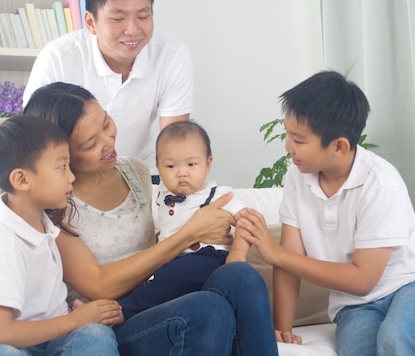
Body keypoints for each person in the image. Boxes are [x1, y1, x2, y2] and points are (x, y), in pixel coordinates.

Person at [23, 82, 278, 356]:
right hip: (108, 321)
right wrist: (189, 234)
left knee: (241, 275)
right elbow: (99, 285)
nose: (108, 143)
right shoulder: (55, 204)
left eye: (106, 124)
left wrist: (211, 233)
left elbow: (170, 221)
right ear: (63, 155)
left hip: (160, 297)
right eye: (91, 143)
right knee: (207, 310)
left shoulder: (135, 171)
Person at [238, 70, 415, 356]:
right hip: (357, 304)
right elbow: (289, 261)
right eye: (287, 134)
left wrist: (276, 253)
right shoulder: (296, 178)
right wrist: (283, 330)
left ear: (339, 146)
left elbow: (363, 278)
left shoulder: (380, 183)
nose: (288, 146)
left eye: (299, 140)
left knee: (396, 338)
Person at [0, 115, 121, 356]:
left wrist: (90, 316)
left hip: (48, 342)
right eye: (61, 167)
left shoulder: (46, 226)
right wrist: (75, 321)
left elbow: (53, 311)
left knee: (96, 336)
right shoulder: (2, 240)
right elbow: (0, 334)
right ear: (22, 179)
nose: (71, 177)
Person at [23, 0, 193, 181]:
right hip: (75, 172)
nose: (132, 30)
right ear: (91, 22)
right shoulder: (58, 56)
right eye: (117, 18)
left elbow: (175, 141)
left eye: (143, 16)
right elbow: (32, 136)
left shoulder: (172, 55)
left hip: (142, 172)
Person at [116, 120, 251, 319]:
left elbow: (247, 221)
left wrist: (238, 253)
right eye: (171, 166)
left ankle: (122, 310)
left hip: (208, 259)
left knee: (174, 276)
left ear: (208, 164)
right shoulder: (158, 195)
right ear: (159, 168)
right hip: (172, 262)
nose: (182, 172)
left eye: (191, 164)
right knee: (159, 280)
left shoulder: (218, 194)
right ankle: (126, 308)